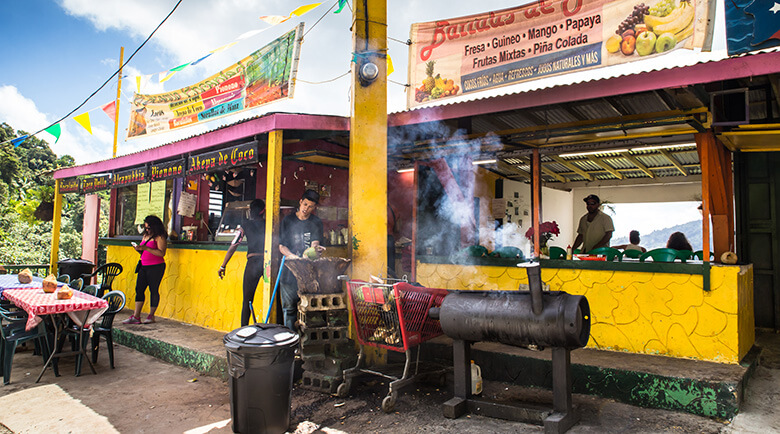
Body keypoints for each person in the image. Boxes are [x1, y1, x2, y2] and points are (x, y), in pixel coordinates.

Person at [278, 190, 324, 331]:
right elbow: (281, 246)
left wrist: (315, 250)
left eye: (310, 206)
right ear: (300, 201)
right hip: (288, 272)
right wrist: (292, 257)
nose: (306, 209)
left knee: (309, 309)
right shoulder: (288, 220)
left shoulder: (316, 222)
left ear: (314, 207)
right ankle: (291, 342)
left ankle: (304, 342)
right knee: (289, 309)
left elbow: (315, 243)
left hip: (308, 273)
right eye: (305, 204)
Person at [218, 199, 266, 326]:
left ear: (250, 211)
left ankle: (243, 329)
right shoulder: (269, 224)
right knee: (275, 298)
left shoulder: (245, 225)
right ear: (263, 211)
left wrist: (223, 265)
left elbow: (234, 245)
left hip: (252, 263)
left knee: (247, 300)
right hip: (268, 263)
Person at [124, 215, 167, 324]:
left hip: (156, 266)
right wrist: (139, 249)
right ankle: (136, 315)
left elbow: (162, 253)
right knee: (139, 289)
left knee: (153, 290)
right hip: (144, 264)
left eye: (149, 228)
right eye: (146, 228)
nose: (147, 230)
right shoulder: (145, 236)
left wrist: (147, 248)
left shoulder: (160, 237)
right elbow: (144, 251)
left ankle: (151, 315)